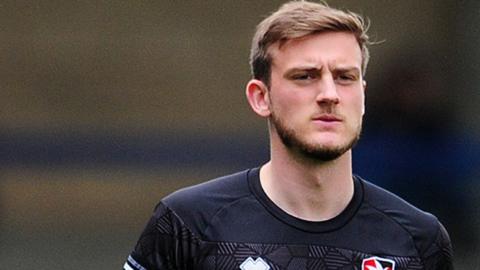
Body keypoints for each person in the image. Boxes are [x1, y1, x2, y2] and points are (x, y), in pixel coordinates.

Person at [123, 1, 453, 269]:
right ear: (260, 97)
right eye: (305, 76)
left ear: (363, 96)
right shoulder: (188, 224)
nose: (329, 94)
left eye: (344, 77)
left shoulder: (418, 240)